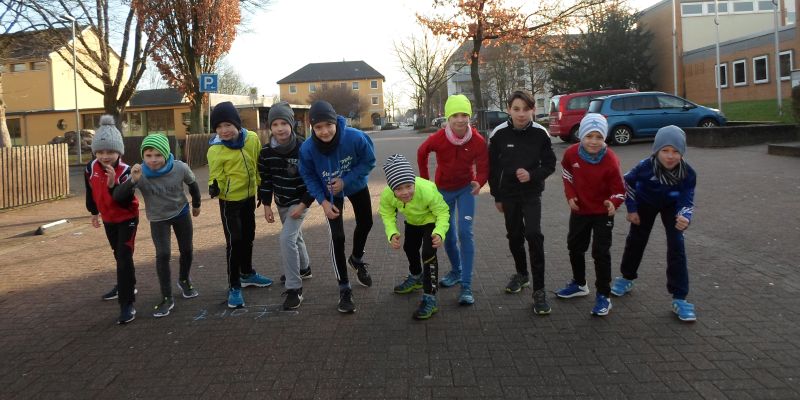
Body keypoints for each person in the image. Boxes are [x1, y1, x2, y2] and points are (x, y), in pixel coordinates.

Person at [611, 125, 698, 322]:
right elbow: (627, 182)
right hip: (645, 204)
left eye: (676, 151)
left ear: (682, 153)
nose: (670, 156)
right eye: (665, 151)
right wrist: (632, 209)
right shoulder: (645, 166)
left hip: (672, 206)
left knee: (677, 246)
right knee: (636, 240)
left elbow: (687, 198)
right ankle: (627, 277)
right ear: (656, 151)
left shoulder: (688, 173)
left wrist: (685, 217)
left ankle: (680, 297)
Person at [299, 100, 376, 313]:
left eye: (328, 125)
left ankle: (357, 258)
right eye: (318, 127)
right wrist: (322, 202)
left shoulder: (354, 137)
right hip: (329, 194)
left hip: (356, 185)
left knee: (366, 222)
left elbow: (369, 161)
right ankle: (344, 288)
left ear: (335, 122)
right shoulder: (307, 148)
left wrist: (346, 180)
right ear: (312, 128)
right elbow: (308, 175)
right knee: (337, 237)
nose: (324, 131)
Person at [113, 134, 201, 318]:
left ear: (166, 154)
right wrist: (133, 181)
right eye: (149, 155)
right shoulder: (139, 173)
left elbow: (193, 184)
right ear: (143, 156)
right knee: (163, 254)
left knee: (187, 250)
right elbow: (118, 197)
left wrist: (197, 205)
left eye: (158, 155)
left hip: (181, 213)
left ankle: (184, 279)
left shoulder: (179, 167)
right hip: (158, 218)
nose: (153, 160)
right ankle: (167, 296)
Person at [488, 90, 556, 315]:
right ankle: (521, 274)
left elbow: (549, 164)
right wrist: (497, 196)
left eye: (526, 109)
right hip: (508, 195)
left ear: (533, 110)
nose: (521, 114)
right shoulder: (498, 134)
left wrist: (532, 175)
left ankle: (539, 290)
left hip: (531, 193)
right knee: (514, 235)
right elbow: (493, 168)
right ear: (508, 109)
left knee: (534, 235)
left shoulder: (541, 133)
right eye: (516, 109)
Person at [417, 94, 488, 306]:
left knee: (465, 232)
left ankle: (466, 285)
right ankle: (456, 271)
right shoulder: (439, 138)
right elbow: (422, 152)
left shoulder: (477, 141)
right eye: (455, 115)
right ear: (447, 118)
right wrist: (425, 182)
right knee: (447, 235)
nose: (460, 119)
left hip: (466, 189)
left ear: (469, 116)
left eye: (464, 114)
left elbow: (484, 166)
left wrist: (479, 181)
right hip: (442, 192)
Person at [554, 114, 625, 316]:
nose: (593, 142)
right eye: (589, 136)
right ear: (581, 136)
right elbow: (567, 175)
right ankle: (579, 283)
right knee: (575, 247)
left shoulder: (610, 159)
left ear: (605, 138)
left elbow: (619, 189)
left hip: (603, 213)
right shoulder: (571, 154)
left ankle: (604, 295)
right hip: (580, 211)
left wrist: (614, 202)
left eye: (598, 137)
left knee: (600, 253)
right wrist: (570, 196)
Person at [207, 101, 273, 309]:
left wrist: (262, 190)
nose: (223, 131)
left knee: (248, 237)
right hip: (229, 203)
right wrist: (213, 186)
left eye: (227, 125)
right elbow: (215, 175)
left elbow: (257, 165)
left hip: (248, 197)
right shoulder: (215, 150)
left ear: (236, 124)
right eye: (218, 127)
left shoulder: (252, 139)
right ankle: (234, 285)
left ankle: (247, 273)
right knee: (234, 242)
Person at [258, 102, 314, 310]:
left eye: (284, 123)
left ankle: (294, 289)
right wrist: (266, 204)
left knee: (286, 238)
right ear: (270, 127)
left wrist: (303, 204)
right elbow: (265, 180)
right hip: (281, 201)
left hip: (300, 201)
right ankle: (305, 268)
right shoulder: (265, 153)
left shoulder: (304, 147)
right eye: (275, 124)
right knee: (295, 236)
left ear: (292, 124)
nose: (280, 128)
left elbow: (313, 180)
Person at [379, 154, 450, 320]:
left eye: (408, 186)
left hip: (430, 219)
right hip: (412, 221)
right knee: (409, 248)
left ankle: (430, 298)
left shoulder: (427, 189)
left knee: (428, 254)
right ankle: (416, 276)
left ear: (414, 182)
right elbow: (387, 213)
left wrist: (439, 232)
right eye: (398, 189)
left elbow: (442, 212)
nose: (405, 192)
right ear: (391, 188)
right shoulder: (387, 195)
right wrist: (392, 233)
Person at [85, 115, 140, 324]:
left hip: (127, 217)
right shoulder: (90, 168)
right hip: (108, 219)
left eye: (110, 151)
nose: (105, 156)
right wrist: (93, 212)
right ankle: (127, 284)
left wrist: (112, 185)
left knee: (124, 257)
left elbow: (125, 201)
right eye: (100, 152)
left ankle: (127, 303)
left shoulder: (126, 172)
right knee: (119, 255)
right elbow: (90, 193)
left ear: (119, 152)